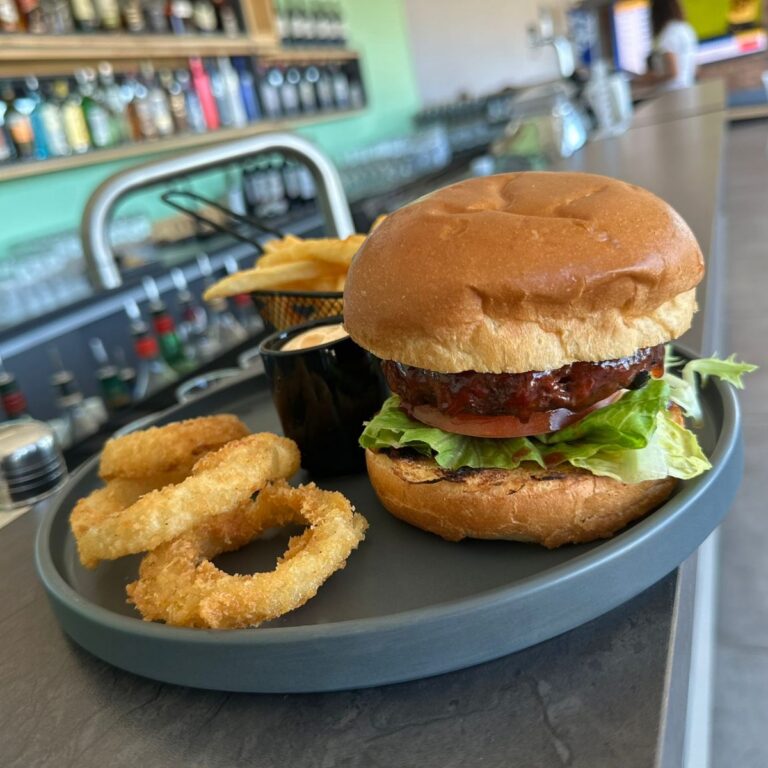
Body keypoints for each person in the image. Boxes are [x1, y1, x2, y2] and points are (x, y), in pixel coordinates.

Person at [635, 0, 698, 91]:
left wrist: (650, 80)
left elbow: (673, 73)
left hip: (671, 94)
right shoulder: (686, 29)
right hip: (687, 88)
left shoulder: (668, 34)